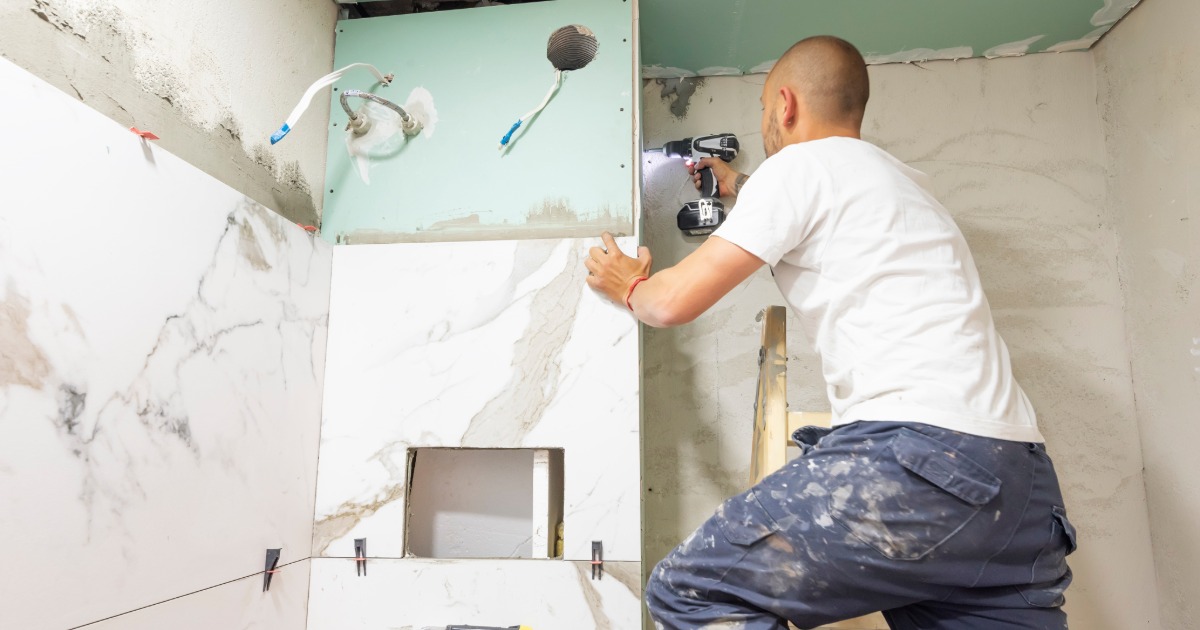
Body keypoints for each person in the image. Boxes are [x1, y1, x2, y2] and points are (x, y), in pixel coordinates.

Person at [584, 36, 1077, 630]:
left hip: (919, 464)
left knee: (691, 590)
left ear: (784, 106)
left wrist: (629, 284)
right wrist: (738, 184)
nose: (765, 121)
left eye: (764, 108)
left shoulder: (796, 169)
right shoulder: (903, 185)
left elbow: (669, 304)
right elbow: (812, 200)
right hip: (1019, 491)